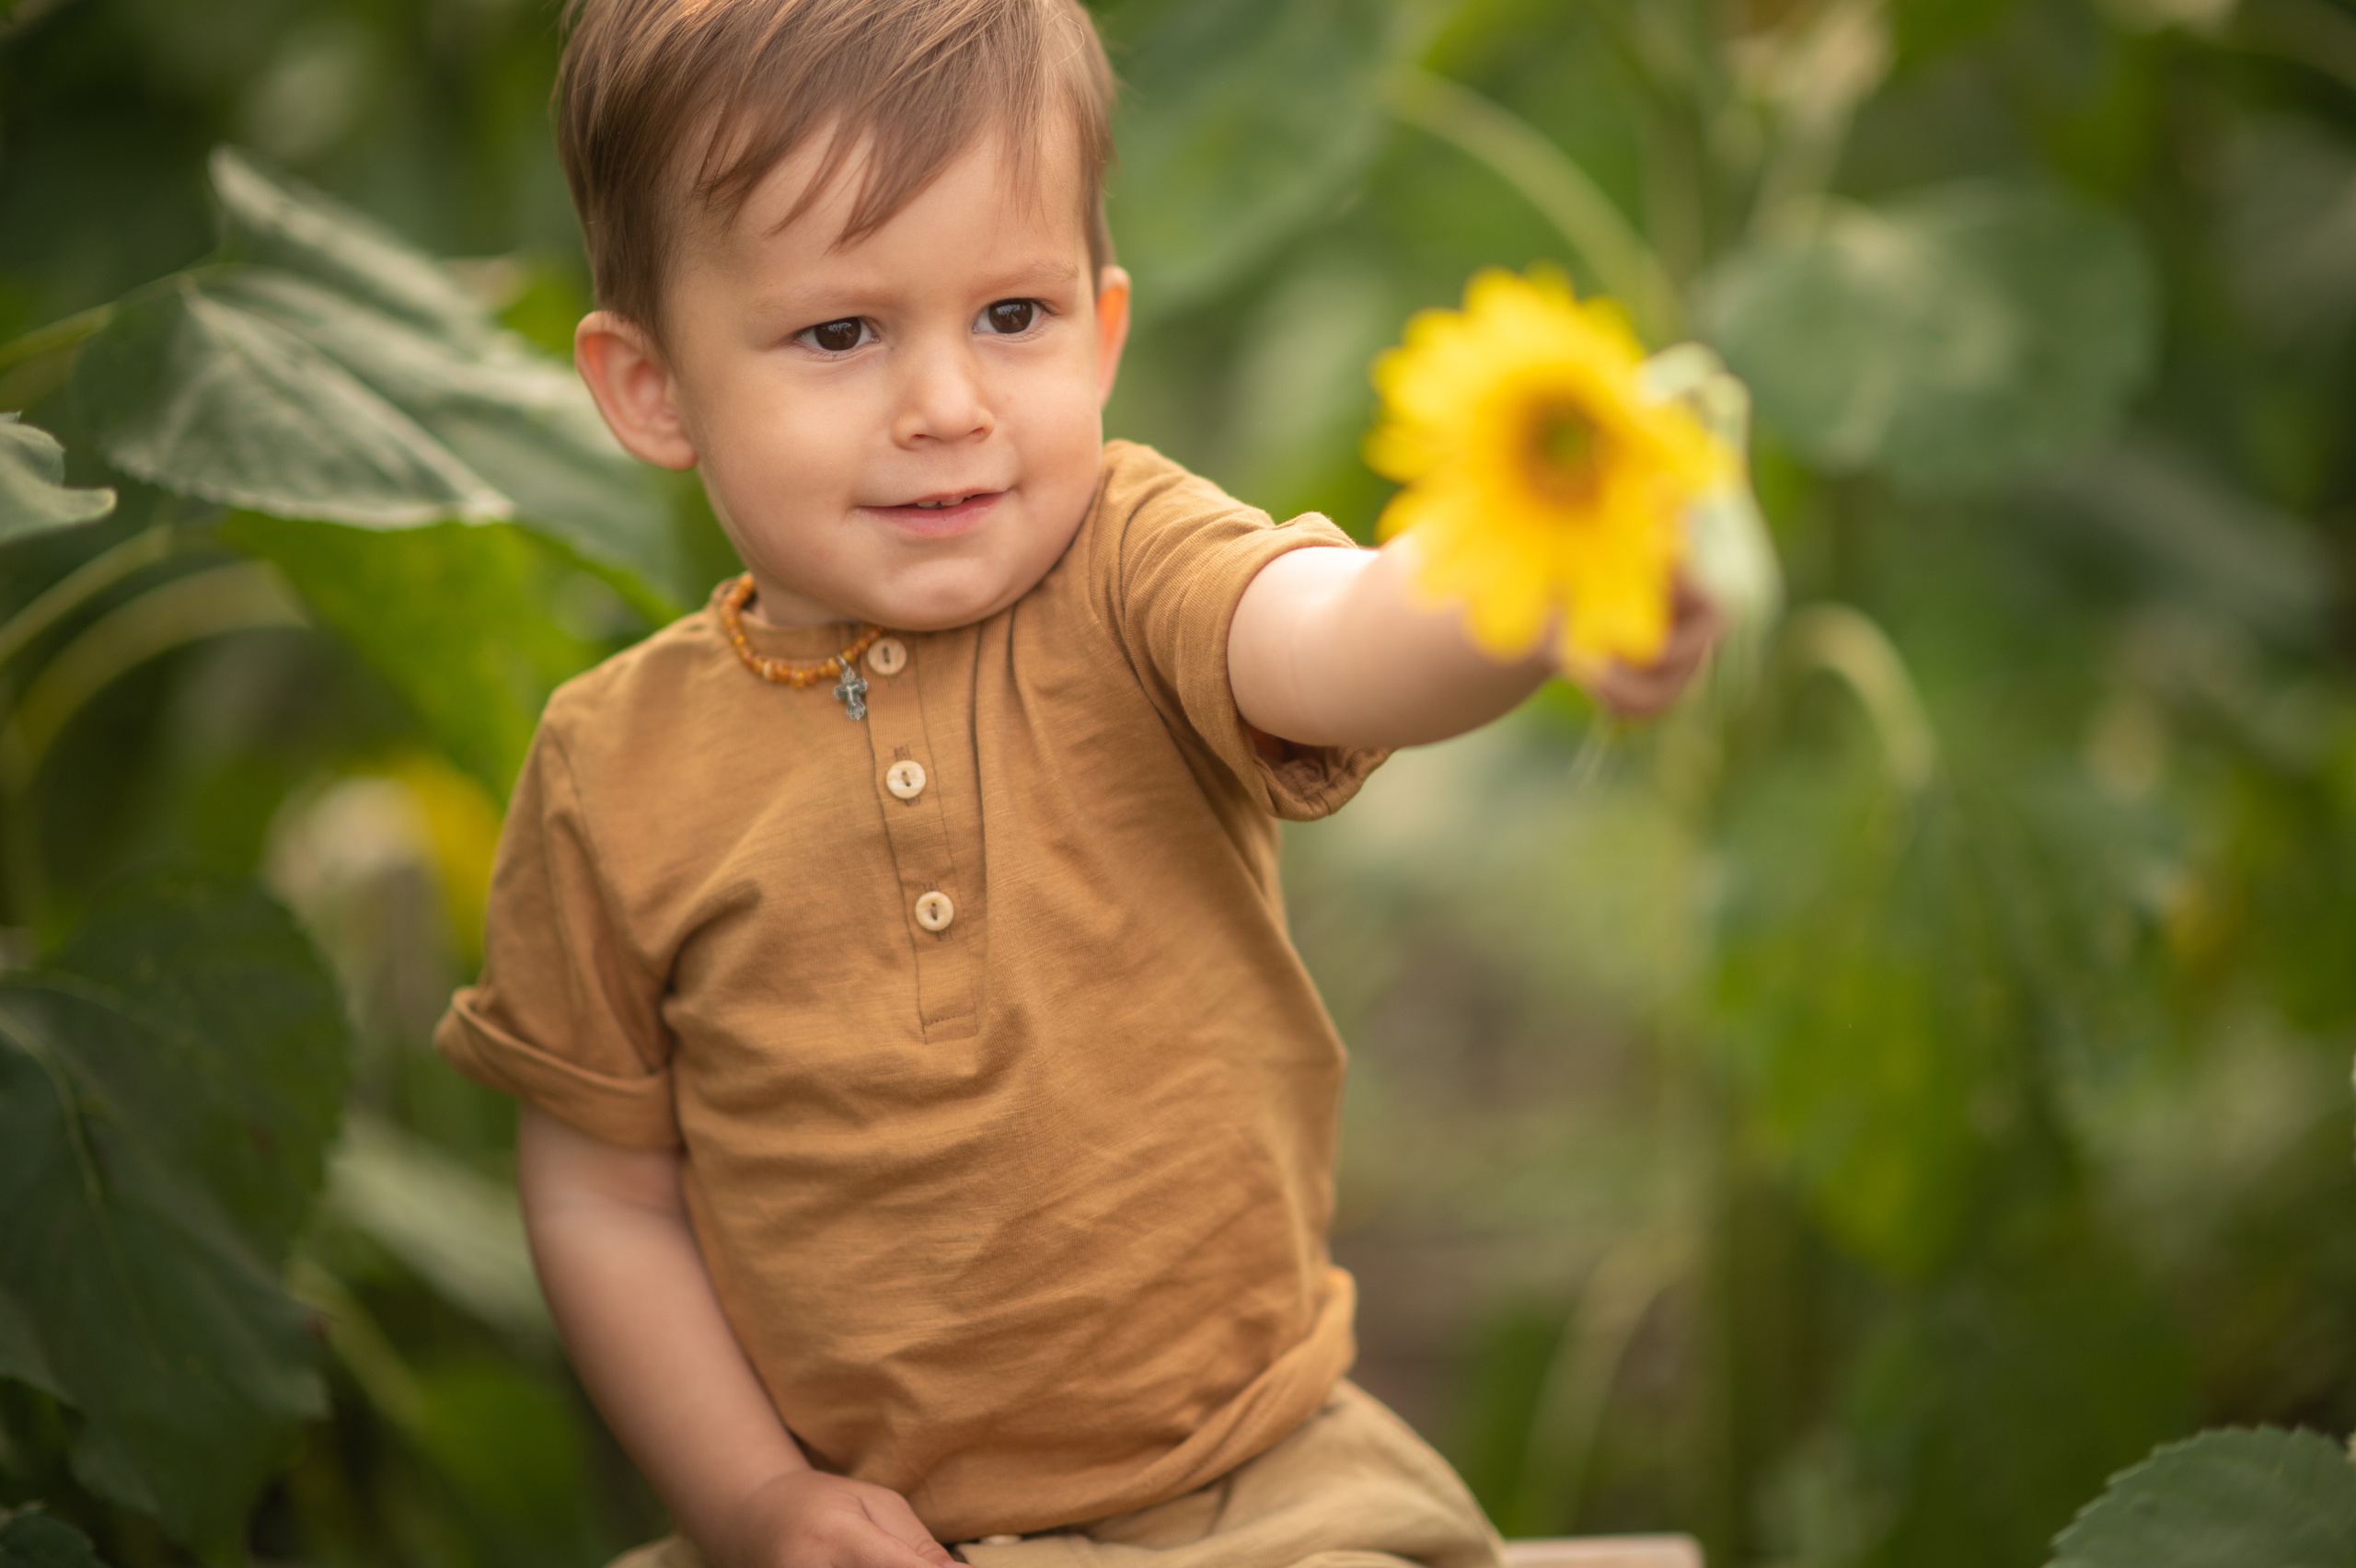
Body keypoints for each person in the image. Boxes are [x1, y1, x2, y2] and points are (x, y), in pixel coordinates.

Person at [432, 1, 1720, 1565]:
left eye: (1013, 317)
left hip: (1253, 1489)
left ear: (1103, 331)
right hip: (864, 1530)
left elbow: (1341, 637)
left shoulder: (1131, 572)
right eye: (842, 334)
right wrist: (756, 1503)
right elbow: (603, 1199)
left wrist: (1543, 582)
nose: (948, 405)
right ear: (651, 389)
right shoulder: (612, 767)